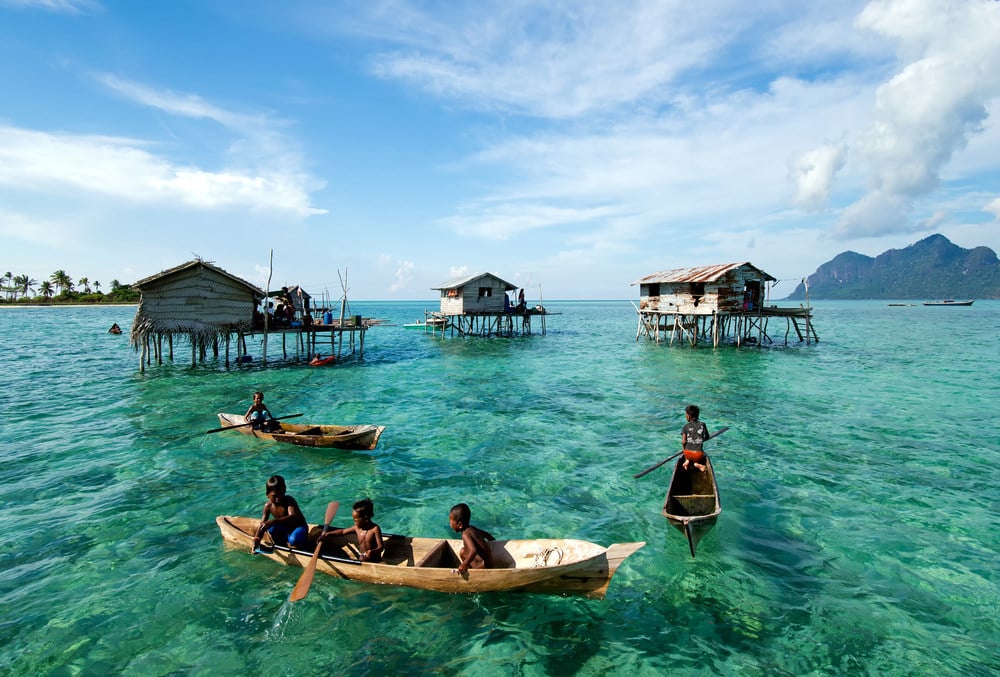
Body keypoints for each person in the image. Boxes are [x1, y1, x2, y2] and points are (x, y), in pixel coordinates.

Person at [318, 498, 384, 562]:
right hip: (362, 557)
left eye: (355, 520)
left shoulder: (375, 529)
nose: (354, 523)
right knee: (361, 558)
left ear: (365, 518)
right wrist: (327, 534)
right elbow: (342, 531)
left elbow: (381, 547)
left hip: (374, 559)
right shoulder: (357, 528)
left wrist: (373, 552)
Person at [252, 475, 309, 550]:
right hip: (285, 529)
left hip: (298, 527)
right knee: (271, 529)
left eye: (281, 494)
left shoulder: (289, 500)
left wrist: (274, 521)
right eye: (275, 496)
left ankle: (302, 546)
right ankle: (282, 545)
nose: (278, 498)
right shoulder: (268, 506)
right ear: (267, 495)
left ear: (285, 490)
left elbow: (293, 516)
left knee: (294, 540)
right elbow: (262, 525)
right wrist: (257, 538)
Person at [449, 503, 495, 574]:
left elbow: (473, 550)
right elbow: (488, 535)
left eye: (451, 521)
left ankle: (471, 572)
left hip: (484, 567)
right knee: (463, 551)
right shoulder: (472, 529)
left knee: (463, 553)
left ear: (460, 525)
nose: (450, 524)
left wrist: (464, 564)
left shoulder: (465, 534)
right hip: (488, 562)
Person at [681, 404, 711, 472]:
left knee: (686, 448)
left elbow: (683, 442)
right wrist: (701, 440)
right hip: (698, 455)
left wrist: (684, 450)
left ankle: (687, 460)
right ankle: (696, 464)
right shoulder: (703, 425)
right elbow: (707, 437)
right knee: (699, 453)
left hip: (687, 453)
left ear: (688, 416)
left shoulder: (686, 426)